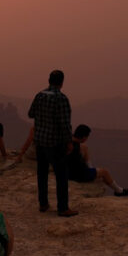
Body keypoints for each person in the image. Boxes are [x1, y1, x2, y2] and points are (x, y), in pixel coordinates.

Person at [27, 69, 77, 216]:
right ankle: (63, 208)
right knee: (61, 175)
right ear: (62, 82)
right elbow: (64, 123)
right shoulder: (61, 99)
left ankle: (43, 204)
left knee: (41, 173)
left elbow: (30, 113)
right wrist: (69, 142)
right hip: (55, 143)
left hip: (40, 141)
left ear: (49, 80)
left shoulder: (40, 95)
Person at [68, 124, 128, 197]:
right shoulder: (75, 148)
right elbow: (78, 165)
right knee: (104, 172)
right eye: (87, 137)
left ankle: (91, 168)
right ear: (84, 137)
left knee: (84, 147)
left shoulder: (70, 141)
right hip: (78, 175)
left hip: (69, 172)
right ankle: (119, 191)